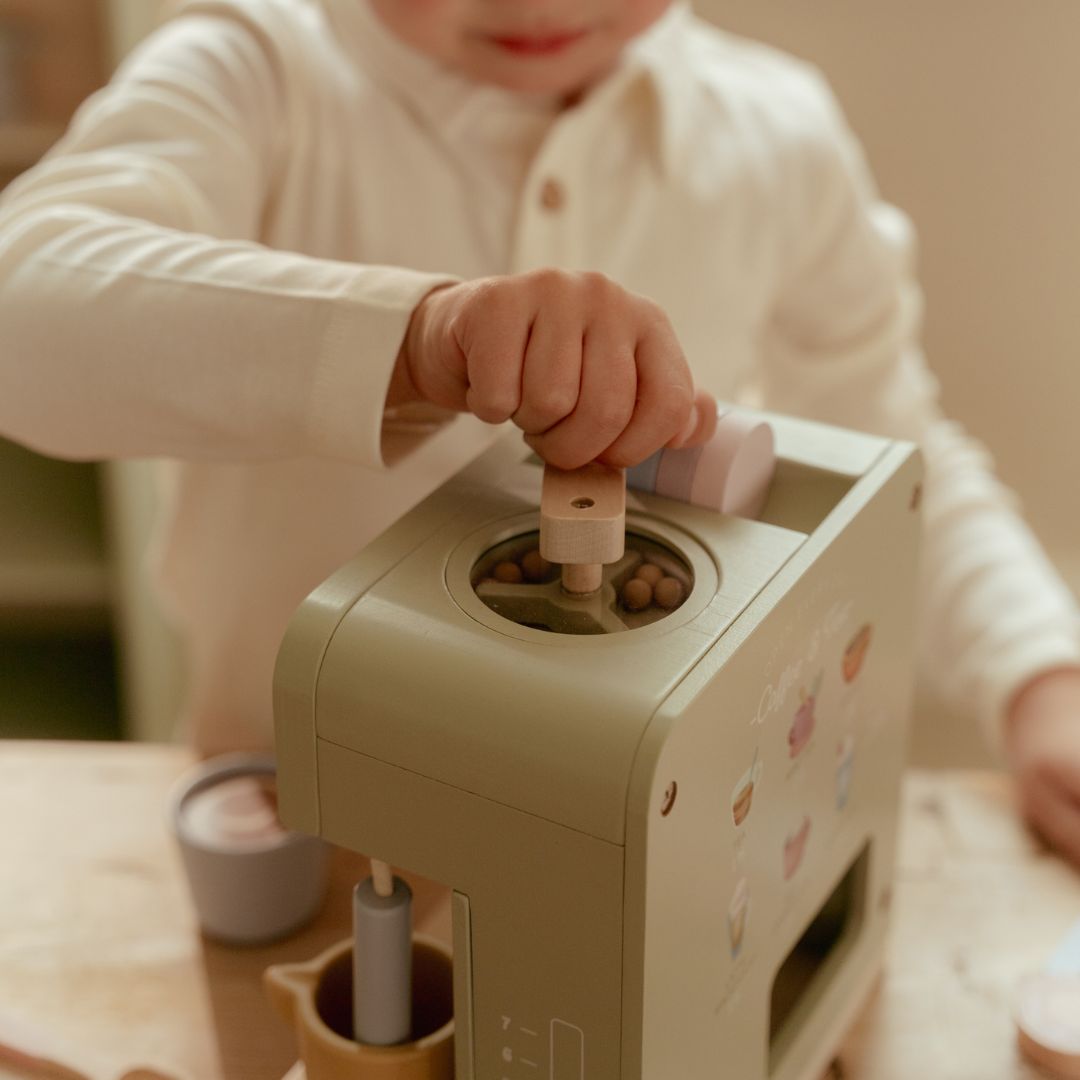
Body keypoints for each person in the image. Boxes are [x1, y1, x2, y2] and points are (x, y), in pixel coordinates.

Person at [0, 0, 1077, 863]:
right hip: (302, 820)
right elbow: (25, 310)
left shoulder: (778, 136)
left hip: (658, 835)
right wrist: (414, 339)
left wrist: (1040, 673)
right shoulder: (254, 71)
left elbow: (894, 453)